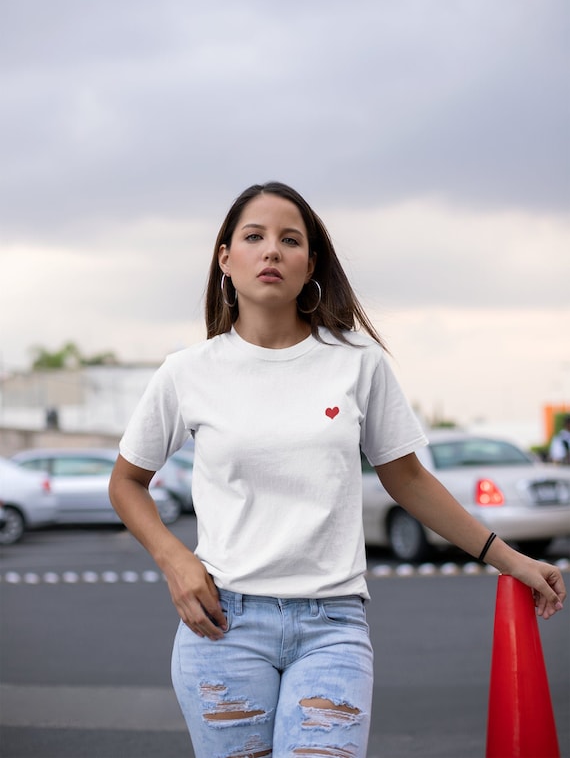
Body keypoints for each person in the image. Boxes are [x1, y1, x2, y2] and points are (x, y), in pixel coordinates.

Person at [109, 181, 566, 758]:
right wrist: (175, 560)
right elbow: (126, 482)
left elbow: (410, 480)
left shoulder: (357, 364)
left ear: (310, 265)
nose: (271, 250)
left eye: (289, 240)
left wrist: (512, 558)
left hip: (332, 629)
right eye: (254, 236)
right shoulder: (187, 372)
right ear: (225, 259)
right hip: (223, 627)